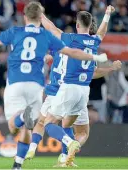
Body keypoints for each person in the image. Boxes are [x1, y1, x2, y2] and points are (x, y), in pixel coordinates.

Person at [0, 2, 107, 169]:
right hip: (37, 87)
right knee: (36, 124)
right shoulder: (47, 37)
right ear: (39, 17)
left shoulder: (15, 32)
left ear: (24, 17)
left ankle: (23, 125)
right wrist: (96, 59)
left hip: (16, 84)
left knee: (15, 126)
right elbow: (72, 52)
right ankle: (19, 162)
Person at [26, 6, 121, 167]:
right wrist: (107, 15)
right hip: (84, 91)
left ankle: (69, 143)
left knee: (48, 123)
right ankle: (65, 158)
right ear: (90, 25)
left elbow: (51, 28)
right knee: (82, 131)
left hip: (68, 87)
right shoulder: (95, 41)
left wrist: (40, 15)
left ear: (77, 25)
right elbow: (102, 32)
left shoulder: (70, 39)